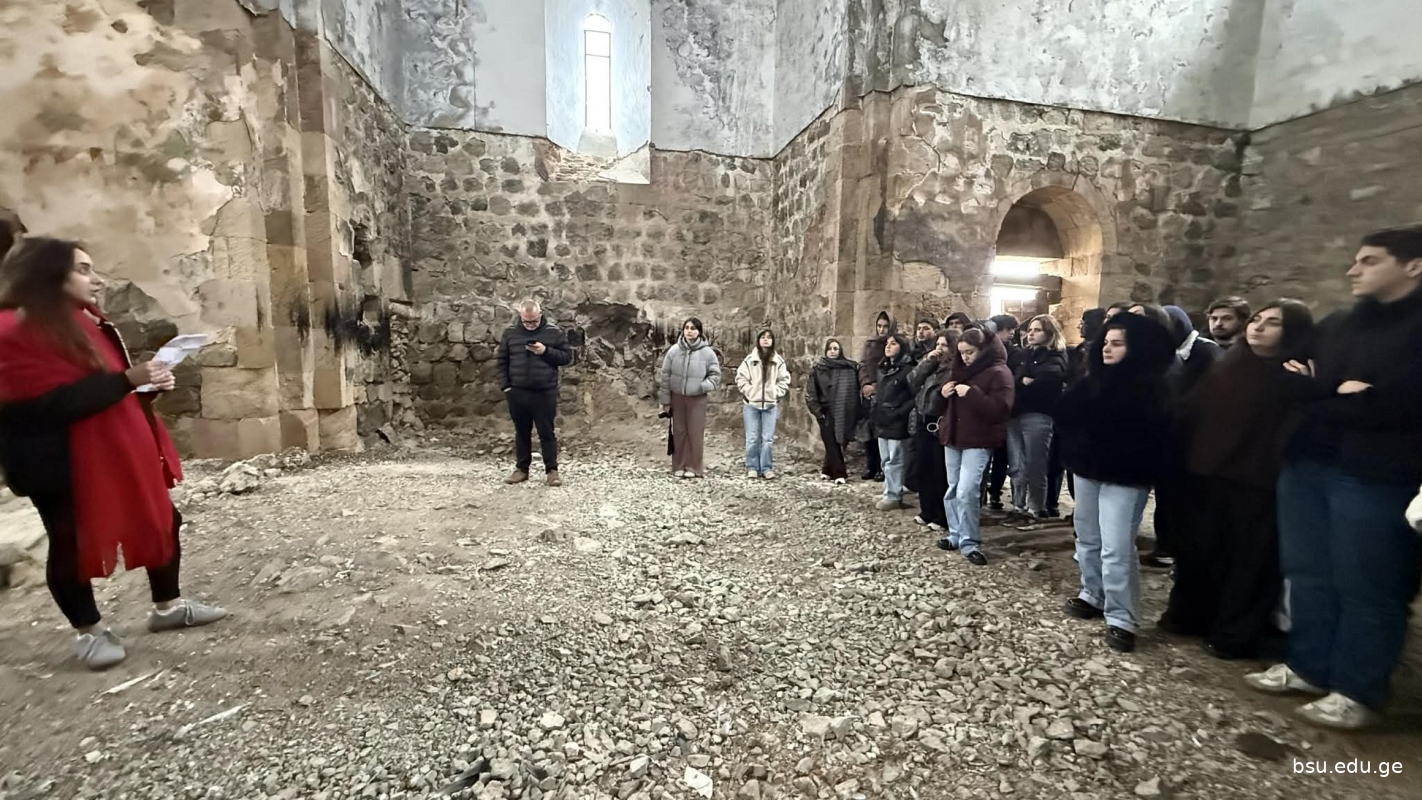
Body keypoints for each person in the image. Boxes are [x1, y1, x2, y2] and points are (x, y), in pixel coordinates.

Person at [0, 237, 226, 670]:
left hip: (115, 448)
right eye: (83, 269)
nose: (97, 280)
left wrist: (145, 386)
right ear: (48, 273)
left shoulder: (84, 321)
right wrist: (126, 380)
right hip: (55, 459)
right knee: (69, 540)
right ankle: (89, 631)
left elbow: (104, 387)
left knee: (164, 519)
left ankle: (167, 606)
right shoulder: (12, 330)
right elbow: (37, 408)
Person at [1245, 226, 1422, 730]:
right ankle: (1309, 666)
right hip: (1308, 462)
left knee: (1368, 583)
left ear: (1413, 266)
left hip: (1377, 473)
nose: (1352, 270)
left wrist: (1321, 391)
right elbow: (1286, 381)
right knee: (1308, 571)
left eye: (1369, 261)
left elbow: (1401, 405)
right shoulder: (1339, 324)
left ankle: (1357, 689)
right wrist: (1339, 392)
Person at [1162, 300, 1314, 660]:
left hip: (1256, 482)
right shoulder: (1231, 364)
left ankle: (1234, 632)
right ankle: (1192, 616)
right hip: (1207, 474)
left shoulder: (1293, 375)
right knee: (1202, 551)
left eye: (1272, 322)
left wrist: (1308, 388)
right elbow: (1196, 413)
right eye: (1257, 319)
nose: (1258, 327)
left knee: (1247, 562)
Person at [1055, 311, 1175, 652]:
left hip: (1126, 474)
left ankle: (1122, 616)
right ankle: (1092, 593)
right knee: (1087, 536)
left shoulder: (1152, 388)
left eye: (1117, 344)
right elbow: (1066, 415)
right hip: (1087, 468)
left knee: (1117, 545)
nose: (1107, 349)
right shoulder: (1092, 380)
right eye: (1106, 342)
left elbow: (1152, 433)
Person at [1141, 305, 1223, 568]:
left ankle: (1185, 551)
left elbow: (1208, 395)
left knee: (1186, 499)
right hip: (1171, 436)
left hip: (1194, 438)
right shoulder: (1166, 352)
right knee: (1166, 495)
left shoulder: (1206, 352)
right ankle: (1166, 545)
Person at [935, 327, 1014, 565]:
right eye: (961, 353)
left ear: (983, 349)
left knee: (967, 490)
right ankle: (955, 534)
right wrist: (942, 393)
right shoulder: (958, 369)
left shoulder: (999, 372)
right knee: (952, 488)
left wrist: (972, 394)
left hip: (979, 440)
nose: (965, 357)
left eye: (970, 352)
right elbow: (940, 405)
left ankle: (970, 542)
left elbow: (1001, 409)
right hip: (953, 437)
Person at [497, 299, 574, 486]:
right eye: (526, 322)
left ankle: (552, 471)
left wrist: (545, 351)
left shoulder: (554, 332)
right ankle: (521, 469)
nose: (530, 325)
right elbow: (502, 361)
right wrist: (506, 386)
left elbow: (566, 357)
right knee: (521, 432)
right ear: (520, 316)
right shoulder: (510, 333)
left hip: (544, 392)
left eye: (534, 321)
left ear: (540, 314)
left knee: (546, 432)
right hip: (517, 392)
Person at [1006, 314, 1067, 521]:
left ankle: (1036, 508)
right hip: (1015, 414)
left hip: (1039, 414)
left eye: (1037, 330)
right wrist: (1023, 380)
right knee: (1017, 464)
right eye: (1030, 330)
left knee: (1035, 464)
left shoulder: (1056, 355)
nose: (1031, 334)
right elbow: (1013, 379)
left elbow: (1048, 379)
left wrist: (1025, 380)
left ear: (1049, 333)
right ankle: (1018, 506)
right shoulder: (1023, 354)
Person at [1047, 308, 1107, 517]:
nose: (1080, 325)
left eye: (1085, 322)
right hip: (1072, 416)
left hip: (1089, 420)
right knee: (1064, 465)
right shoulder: (1078, 350)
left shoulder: (1101, 354)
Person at [659, 318, 722, 479]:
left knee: (695, 432)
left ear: (699, 331)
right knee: (679, 432)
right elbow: (665, 377)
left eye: (693, 328)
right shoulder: (673, 351)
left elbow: (715, 375)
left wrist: (703, 386)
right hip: (677, 398)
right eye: (687, 328)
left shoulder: (708, 353)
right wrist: (665, 401)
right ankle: (678, 465)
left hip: (697, 399)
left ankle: (694, 467)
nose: (689, 331)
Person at [909, 330, 956, 531]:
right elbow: (912, 382)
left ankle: (942, 515)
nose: (939, 349)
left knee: (940, 471)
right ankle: (926, 510)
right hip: (923, 420)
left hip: (939, 423)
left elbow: (943, 398)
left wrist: (940, 396)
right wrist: (927, 362)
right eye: (937, 344)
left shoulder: (954, 370)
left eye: (944, 345)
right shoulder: (932, 366)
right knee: (923, 468)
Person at [735, 329, 791, 479]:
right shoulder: (750, 360)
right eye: (763, 337)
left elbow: (784, 380)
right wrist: (749, 392)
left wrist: (776, 392)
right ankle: (752, 467)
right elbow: (741, 378)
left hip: (770, 406)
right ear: (758, 340)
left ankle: (766, 467)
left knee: (767, 439)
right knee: (752, 438)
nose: (766, 340)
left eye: (769, 337)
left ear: (772, 341)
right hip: (751, 405)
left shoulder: (778, 361)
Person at [806, 339, 860, 484]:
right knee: (830, 441)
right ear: (826, 351)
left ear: (840, 350)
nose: (832, 351)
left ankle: (827, 470)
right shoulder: (818, 368)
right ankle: (839, 473)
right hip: (825, 410)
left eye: (835, 348)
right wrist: (818, 412)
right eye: (830, 349)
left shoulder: (849, 367)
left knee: (837, 441)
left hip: (844, 409)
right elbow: (811, 392)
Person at [872, 333, 916, 510]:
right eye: (887, 343)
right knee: (885, 460)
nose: (888, 346)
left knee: (895, 459)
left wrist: (899, 412)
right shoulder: (885, 368)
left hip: (897, 421)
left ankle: (893, 495)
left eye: (894, 343)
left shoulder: (908, 370)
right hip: (883, 418)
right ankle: (888, 490)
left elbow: (913, 396)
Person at [858, 311, 895, 481]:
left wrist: (877, 387)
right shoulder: (870, 343)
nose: (882, 330)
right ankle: (870, 465)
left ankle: (881, 467)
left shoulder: (893, 344)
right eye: (879, 326)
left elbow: (890, 370)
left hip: (884, 392)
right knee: (868, 430)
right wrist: (865, 384)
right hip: (868, 393)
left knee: (881, 431)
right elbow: (863, 365)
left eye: (885, 326)